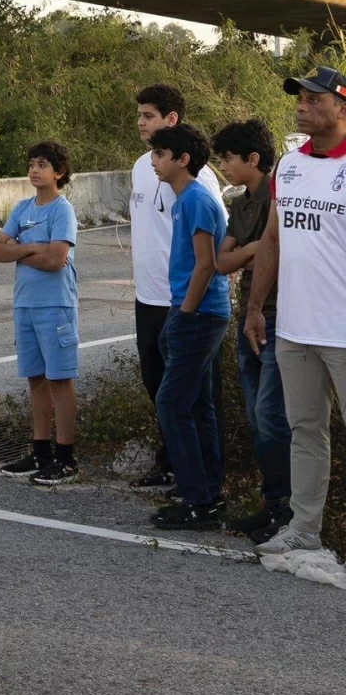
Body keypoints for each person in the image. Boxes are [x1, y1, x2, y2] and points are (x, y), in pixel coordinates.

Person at [247, 67, 346, 555]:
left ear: (342, 108)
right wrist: (255, 309)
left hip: (344, 332)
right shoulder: (288, 166)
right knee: (305, 432)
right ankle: (305, 531)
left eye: (313, 99)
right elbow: (272, 239)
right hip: (296, 327)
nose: (301, 107)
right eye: (299, 99)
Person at [129, 84, 224, 490]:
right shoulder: (142, 166)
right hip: (148, 295)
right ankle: (171, 464)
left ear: (172, 119)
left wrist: (187, 305)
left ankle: (202, 481)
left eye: (148, 116)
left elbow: (213, 246)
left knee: (192, 395)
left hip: (186, 302)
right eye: (139, 116)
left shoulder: (198, 182)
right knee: (158, 386)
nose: (140, 123)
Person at [146, 123, 230, 529]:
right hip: (195, 312)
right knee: (197, 404)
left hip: (199, 314)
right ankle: (209, 495)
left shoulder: (196, 198)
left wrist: (183, 313)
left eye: (161, 154)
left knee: (172, 403)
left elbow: (206, 264)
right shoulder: (183, 200)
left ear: (183, 160)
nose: (153, 161)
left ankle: (197, 499)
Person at [213, 119, 291, 542]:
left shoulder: (277, 196)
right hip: (250, 319)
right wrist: (253, 249)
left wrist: (252, 250)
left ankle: (291, 510)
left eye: (228, 158)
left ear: (253, 159)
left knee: (272, 417)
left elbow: (276, 248)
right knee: (258, 419)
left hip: (281, 317)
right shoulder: (239, 206)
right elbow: (222, 263)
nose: (224, 165)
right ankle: (274, 504)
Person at [0, 141, 80, 486]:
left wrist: (18, 249)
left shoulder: (62, 211)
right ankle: (40, 450)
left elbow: (56, 260)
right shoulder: (22, 208)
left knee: (60, 379)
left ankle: (66, 456)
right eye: (31, 163)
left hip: (55, 305)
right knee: (36, 379)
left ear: (58, 172)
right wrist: (31, 247)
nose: (34, 170)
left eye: (42, 164)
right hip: (25, 304)